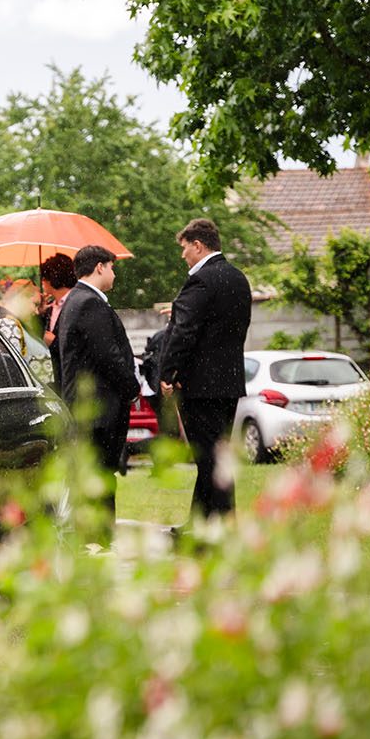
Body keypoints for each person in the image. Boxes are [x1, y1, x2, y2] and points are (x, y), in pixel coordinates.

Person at [160, 218, 253, 520]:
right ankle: (200, 523)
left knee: (209, 458)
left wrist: (168, 373)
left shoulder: (200, 280)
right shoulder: (238, 279)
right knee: (216, 455)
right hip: (229, 382)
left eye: (185, 248)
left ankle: (221, 523)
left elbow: (184, 332)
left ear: (198, 245)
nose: (182, 255)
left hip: (200, 385)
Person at [57, 244, 139, 523]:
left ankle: (93, 539)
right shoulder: (89, 302)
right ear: (100, 267)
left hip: (85, 406)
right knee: (100, 476)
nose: (114, 274)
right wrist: (132, 388)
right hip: (98, 409)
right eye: (112, 267)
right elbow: (108, 355)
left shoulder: (73, 300)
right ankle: (98, 540)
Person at [39, 253, 78, 395]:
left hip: (74, 383)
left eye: (44, 278)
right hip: (56, 382)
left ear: (51, 279)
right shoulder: (50, 309)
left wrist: (54, 342)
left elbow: (77, 344)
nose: (42, 282)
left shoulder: (78, 304)